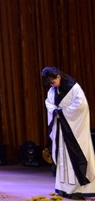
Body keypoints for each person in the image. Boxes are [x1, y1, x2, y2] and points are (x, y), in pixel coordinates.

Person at [42, 67, 95, 199]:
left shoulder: (74, 88)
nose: (52, 85)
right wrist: (55, 111)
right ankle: (63, 188)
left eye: (53, 82)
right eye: (50, 84)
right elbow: (49, 103)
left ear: (58, 77)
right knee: (62, 156)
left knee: (75, 156)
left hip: (73, 129)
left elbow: (81, 105)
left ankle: (79, 190)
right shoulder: (53, 90)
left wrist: (63, 113)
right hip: (61, 129)